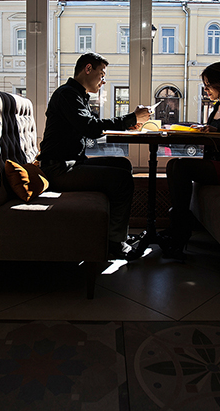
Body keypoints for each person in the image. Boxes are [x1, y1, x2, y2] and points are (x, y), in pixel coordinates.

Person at [37, 52, 151, 259]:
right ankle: (115, 243)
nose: (103, 80)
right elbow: (91, 128)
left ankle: (116, 235)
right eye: (102, 74)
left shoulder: (76, 95)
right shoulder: (67, 95)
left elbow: (92, 127)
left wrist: (129, 123)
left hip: (69, 163)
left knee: (123, 165)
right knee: (122, 179)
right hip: (58, 169)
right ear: (88, 69)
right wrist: (131, 118)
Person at [157, 62, 220, 259]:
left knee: (180, 167)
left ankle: (179, 229)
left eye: (208, 85)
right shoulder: (217, 108)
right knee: (174, 164)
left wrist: (217, 133)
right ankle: (179, 227)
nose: (206, 89)